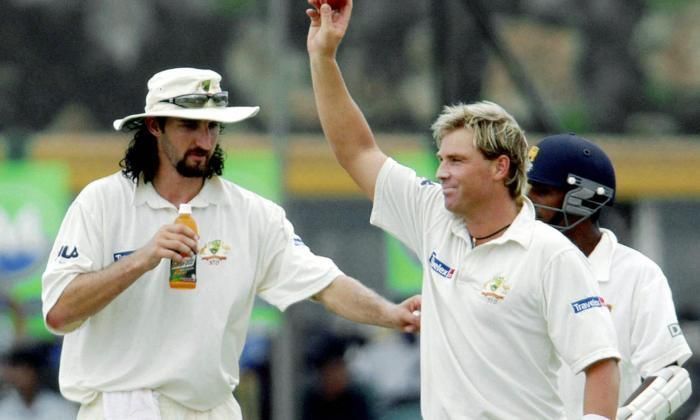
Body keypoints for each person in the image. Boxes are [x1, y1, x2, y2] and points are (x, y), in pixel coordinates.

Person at [40, 67, 421, 419]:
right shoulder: (102, 203)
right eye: (190, 126)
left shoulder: (252, 214)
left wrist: (391, 314)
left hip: (213, 409)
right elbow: (59, 312)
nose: (204, 141)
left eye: (213, 127)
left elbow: (326, 285)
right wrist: (142, 259)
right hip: (123, 407)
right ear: (154, 126)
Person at [306, 1, 621, 418]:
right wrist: (323, 56)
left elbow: (600, 364)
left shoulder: (551, 255)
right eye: (440, 159)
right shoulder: (433, 215)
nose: (441, 173)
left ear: (500, 167)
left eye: (456, 161)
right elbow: (356, 150)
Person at [526, 133, 693, 418]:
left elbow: (669, 376)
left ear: (586, 199)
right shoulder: (518, 263)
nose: (528, 202)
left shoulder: (638, 276)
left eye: (542, 191)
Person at [0, 343, 78, 420]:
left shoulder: (59, 407)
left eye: (26, 370)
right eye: (16, 370)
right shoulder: (5, 408)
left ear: (35, 372)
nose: (19, 376)